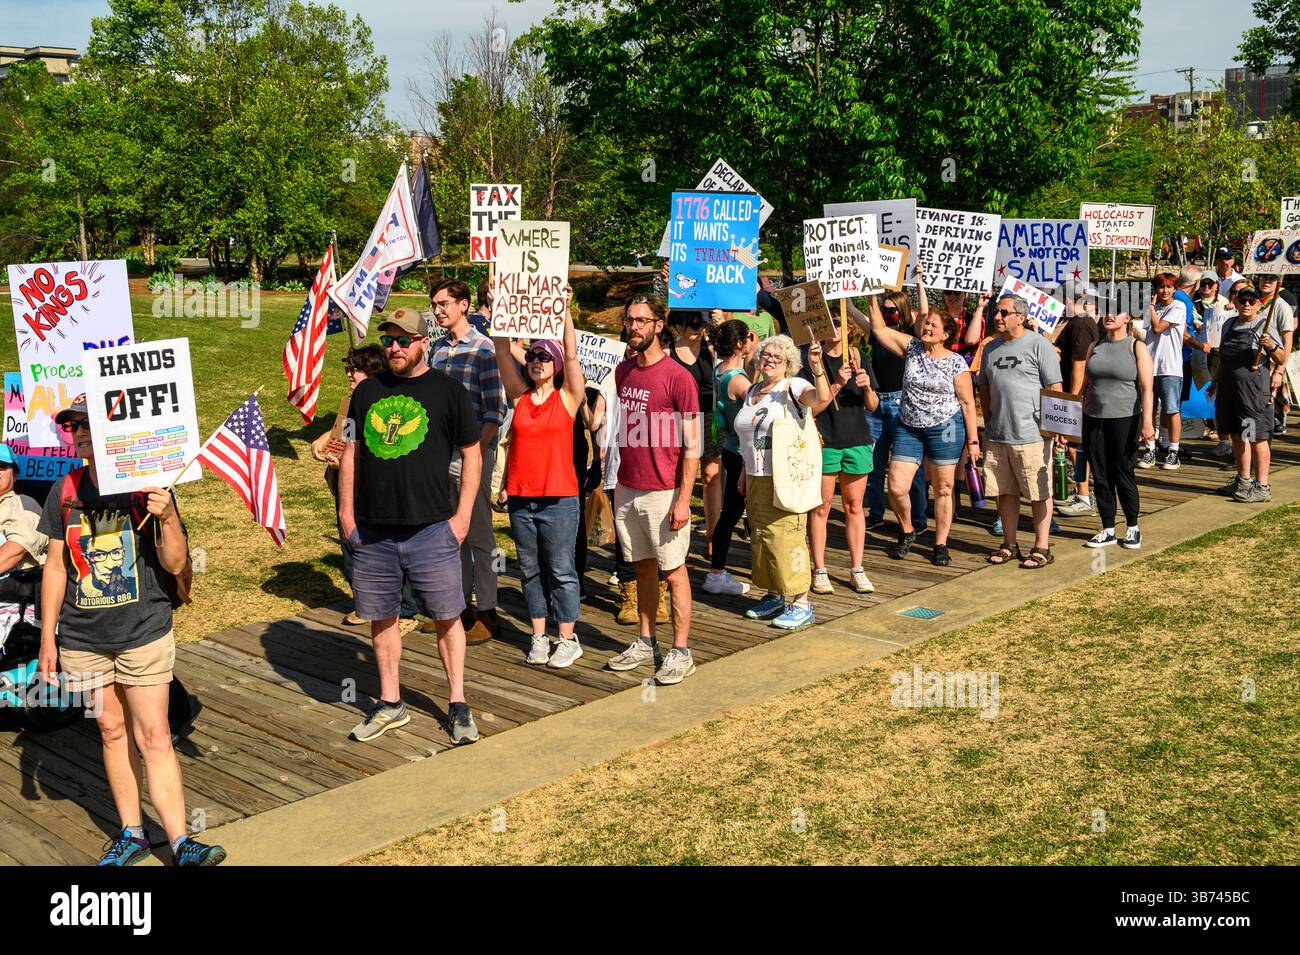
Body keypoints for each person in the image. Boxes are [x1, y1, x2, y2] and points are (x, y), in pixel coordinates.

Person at [36, 399, 225, 866]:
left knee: (155, 735)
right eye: (71, 427)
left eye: (85, 424)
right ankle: (132, 833)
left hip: (144, 632)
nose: (77, 432)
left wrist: (166, 516)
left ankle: (183, 842)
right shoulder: (65, 489)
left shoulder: (148, 487)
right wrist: (48, 638)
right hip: (83, 639)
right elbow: (57, 569)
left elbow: (177, 564)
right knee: (110, 729)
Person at [339, 308, 483, 745]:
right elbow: (350, 452)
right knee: (381, 618)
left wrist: (461, 518)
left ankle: (457, 703)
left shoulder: (450, 393)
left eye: (404, 340)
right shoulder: (366, 393)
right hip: (373, 531)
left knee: (446, 617)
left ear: (425, 342)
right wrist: (347, 515)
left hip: (432, 529)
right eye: (389, 341)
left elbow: (472, 454)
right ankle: (389, 701)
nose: (395, 348)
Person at [607, 293, 701, 685]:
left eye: (642, 321)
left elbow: (693, 446)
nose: (634, 327)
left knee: (674, 571)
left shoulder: (679, 378)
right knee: (641, 567)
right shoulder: (622, 371)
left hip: (664, 491)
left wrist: (683, 498)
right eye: (630, 320)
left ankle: (681, 651)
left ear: (658, 326)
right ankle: (646, 640)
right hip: (627, 486)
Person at [492, 291, 587, 667]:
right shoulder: (520, 398)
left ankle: (567, 637)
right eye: (531, 356)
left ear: (556, 363)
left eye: (543, 356)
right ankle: (538, 635)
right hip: (521, 498)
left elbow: (573, 353)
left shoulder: (567, 398)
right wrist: (502, 317)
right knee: (529, 570)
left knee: (561, 569)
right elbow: (502, 354)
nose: (535, 361)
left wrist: (564, 312)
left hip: (560, 499)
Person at [311, 344, 422, 630]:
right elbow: (346, 432)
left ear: (371, 372)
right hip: (345, 484)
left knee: (382, 548)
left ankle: (406, 610)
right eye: (348, 368)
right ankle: (366, 601)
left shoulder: (388, 400)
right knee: (351, 547)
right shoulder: (353, 400)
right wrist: (326, 441)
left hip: (373, 488)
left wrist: (351, 463)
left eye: (355, 369)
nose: (349, 373)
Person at [858, 302, 978, 566]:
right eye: (926, 322)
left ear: (947, 334)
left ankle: (940, 544)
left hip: (945, 428)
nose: (927, 327)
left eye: (934, 324)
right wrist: (872, 295)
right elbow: (878, 329)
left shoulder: (956, 363)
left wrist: (973, 441)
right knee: (897, 487)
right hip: (909, 427)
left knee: (944, 488)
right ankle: (907, 530)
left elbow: (968, 404)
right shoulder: (912, 348)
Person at [427, 279, 507, 644]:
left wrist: (475, 454)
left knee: (478, 533)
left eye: (444, 303)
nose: (438, 310)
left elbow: (495, 410)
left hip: (472, 453)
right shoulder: (437, 350)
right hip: (440, 455)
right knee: (448, 534)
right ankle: (458, 608)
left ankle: (488, 610)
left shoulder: (484, 349)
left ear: (464, 304)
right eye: (435, 304)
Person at [733, 335, 831, 629]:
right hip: (755, 475)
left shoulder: (793, 386)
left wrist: (817, 367)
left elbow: (821, 398)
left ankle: (801, 602)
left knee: (787, 537)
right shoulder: (753, 390)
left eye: (778, 357)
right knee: (762, 538)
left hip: (786, 476)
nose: (770, 360)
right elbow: (749, 439)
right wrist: (743, 470)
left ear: (788, 363)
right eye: (766, 355)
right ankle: (774, 593)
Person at [978, 295, 1064, 569]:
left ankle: (1041, 546)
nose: (998, 317)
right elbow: (984, 388)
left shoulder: (1040, 345)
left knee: (1039, 492)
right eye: (996, 311)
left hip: (1032, 435)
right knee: (1005, 492)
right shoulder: (990, 348)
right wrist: (989, 423)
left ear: (1021, 317)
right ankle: (1009, 543)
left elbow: (1055, 389)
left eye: (1004, 312)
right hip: (998, 434)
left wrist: (1059, 428)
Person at [799, 319, 879, 591]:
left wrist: (867, 387)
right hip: (826, 441)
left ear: (848, 328)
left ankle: (857, 568)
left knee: (854, 506)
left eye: (839, 323)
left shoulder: (859, 357)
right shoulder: (812, 362)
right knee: (821, 508)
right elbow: (810, 411)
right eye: (829, 322)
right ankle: (819, 569)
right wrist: (836, 384)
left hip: (857, 440)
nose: (833, 328)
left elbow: (873, 406)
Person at [1080, 308, 1155, 549]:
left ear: (1128, 319)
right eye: (1106, 312)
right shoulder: (1095, 346)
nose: (1109, 316)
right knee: (1100, 475)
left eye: (1116, 312)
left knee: (1123, 471)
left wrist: (1147, 421)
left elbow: (1146, 388)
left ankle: (1132, 527)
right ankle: (1108, 528)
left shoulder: (1137, 347)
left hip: (1125, 418)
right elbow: (1084, 386)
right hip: (1093, 418)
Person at [1210, 286, 1291, 504]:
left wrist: (1271, 345)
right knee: (1237, 434)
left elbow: (1282, 358)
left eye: (1251, 301)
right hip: (1229, 389)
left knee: (1255, 436)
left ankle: (1262, 486)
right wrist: (1215, 382)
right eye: (1242, 300)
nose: (1247, 304)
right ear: (1235, 302)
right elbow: (1224, 357)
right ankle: (1244, 481)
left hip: (1252, 392)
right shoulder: (1228, 324)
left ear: (1258, 304)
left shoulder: (1263, 326)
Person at [865, 288, 930, 535]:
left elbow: (923, 313)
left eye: (891, 310)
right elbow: (858, 315)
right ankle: (875, 513)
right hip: (875, 403)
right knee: (874, 464)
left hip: (901, 402)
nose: (886, 313)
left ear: (902, 310)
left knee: (909, 464)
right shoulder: (878, 333)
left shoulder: (912, 335)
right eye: (884, 309)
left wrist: (921, 282)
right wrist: (864, 288)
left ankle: (918, 518)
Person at [704, 318, 758, 595]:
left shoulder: (719, 369)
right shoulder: (738, 381)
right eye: (748, 338)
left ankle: (718, 571)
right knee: (734, 514)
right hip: (743, 454)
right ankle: (717, 573)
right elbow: (760, 408)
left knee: (732, 512)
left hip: (730, 448)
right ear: (740, 343)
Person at [667, 310, 722, 548]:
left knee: (711, 475)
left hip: (708, 415)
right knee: (679, 476)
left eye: (703, 324)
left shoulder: (711, 349)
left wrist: (718, 331)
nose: (699, 329)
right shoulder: (668, 351)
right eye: (694, 324)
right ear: (680, 326)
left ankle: (713, 536)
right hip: (680, 419)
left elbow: (727, 370)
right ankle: (677, 531)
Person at [1053, 280, 1103, 518]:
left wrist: (1072, 400)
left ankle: (1083, 495)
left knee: (1075, 446)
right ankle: (1081, 493)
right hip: (1074, 395)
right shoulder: (1076, 322)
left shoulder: (1081, 325)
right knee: (1072, 446)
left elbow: (1079, 365)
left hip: (1074, 395)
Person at [1137, 272, 1186, 471]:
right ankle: (1150, 447)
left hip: (1169, 366)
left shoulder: (1178, 306)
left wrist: (1150, 308)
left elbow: (1158, 328)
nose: (1165, 291)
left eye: (1168, 287)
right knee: (1148, 409)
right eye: (1161, 287)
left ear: (1174, 288)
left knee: (1171, 409)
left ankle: (1173, 450)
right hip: (1150, 365)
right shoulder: (1154, 309)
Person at [1256, 273, 1296, 436]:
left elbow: (1287, 342)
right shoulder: (1255, 302)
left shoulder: (1281, 306)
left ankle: (1262, 456)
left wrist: (1279, 371)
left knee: (1269, 416)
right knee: (1253, 411)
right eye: (1263, 277)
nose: (1266, 281)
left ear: (1279, 282)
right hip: (1255, 364)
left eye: (1271, 279)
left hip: (1273, 363)